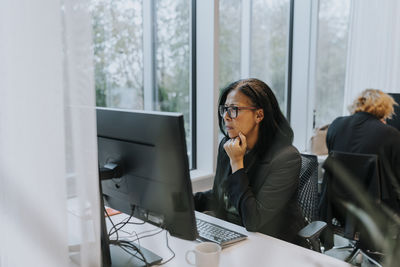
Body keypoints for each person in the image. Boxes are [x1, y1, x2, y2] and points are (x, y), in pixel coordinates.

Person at [194, 78, 304, 244]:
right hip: (234, 236)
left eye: (234, 109)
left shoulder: (286, 158)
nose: (226, 117)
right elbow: (219, 196)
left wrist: (237, 164)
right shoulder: (228, 146)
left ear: (259, 115)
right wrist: (178, 199)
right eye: (225, 109)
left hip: (272, 244)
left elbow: (254, 221)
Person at [326, 89, 400, 212]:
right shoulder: (390, 134)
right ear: (385, 108)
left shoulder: (335, 125)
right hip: (378, 213)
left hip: (338, 206)